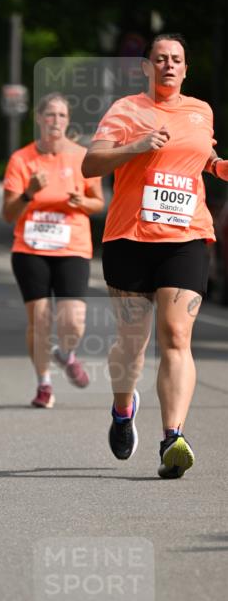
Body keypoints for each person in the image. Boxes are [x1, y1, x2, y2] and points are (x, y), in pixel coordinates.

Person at [82, 32, 228, 478]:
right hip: (129, 237)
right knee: (132, 343)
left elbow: (203, 156)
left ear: (186, 69)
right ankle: (123, 409)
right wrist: (135, 147)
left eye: (176, 59)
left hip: (186, 236)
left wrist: (221, 167)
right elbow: (91, 165)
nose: (168, 65)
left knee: (176, 335)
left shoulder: (200, 111)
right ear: (145, 67)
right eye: (160, 59)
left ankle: (172, 437)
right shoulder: (126, 111)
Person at [3, 94, 104, 408]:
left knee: (73, 320)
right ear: (39, 118)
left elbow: (98, 202)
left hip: (72, 245)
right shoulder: (22, 159)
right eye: (50, 115)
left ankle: (68, 353)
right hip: (31, 247)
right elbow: (9, 213)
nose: (56, 121)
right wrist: (29, 193)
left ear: (68, 120)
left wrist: (81, 201)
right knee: (41, 318)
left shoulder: (82, 157)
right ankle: (44, 383)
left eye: (62, 116)